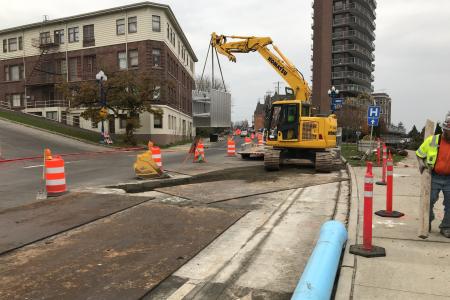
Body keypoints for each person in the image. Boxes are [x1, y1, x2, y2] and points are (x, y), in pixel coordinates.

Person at [416, 112, 450, 238]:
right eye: (448, 131)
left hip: (449, 179)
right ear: (444, 129)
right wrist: (422, 165)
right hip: (434, 176)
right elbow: (419, 154)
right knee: (429, 200)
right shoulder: (433, 140)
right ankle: (427, 221)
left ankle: (446, 227)